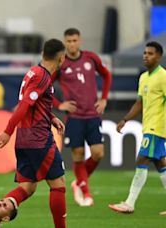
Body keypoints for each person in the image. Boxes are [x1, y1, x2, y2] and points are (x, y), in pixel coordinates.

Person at [0, 39, 67, 228]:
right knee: (58, 184)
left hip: (25, 139)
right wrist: (7, 132)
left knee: (27, 187)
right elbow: (24, 105)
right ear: (61, 58)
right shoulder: (42, 77)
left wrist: (51, 117)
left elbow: (34, 103)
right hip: (39, 139)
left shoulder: (33, 72)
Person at [51, 28, 112, 206]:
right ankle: (85, 191)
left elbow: (107, 75)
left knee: (98, 153)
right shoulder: (61, 63)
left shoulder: (91, 58)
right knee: (78, 155)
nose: (72, 44)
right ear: (65, 42)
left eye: (74, 40)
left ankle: (78, 181)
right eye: (68, 41)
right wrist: (59, 105)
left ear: (80, 41)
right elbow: (47, 84)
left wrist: (104, 99)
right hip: (75, 117)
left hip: (93, 114)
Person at [108, 41, 166, 214]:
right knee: (161, 164)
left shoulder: (163, 76)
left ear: (159, 56)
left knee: (142, 160)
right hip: (148, 126)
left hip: (156, 127)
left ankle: (129, 203)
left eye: (150, 53)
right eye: (145, 53)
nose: (146, 56)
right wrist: (125, 119)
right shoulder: (144, 77)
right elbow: (139, 103)